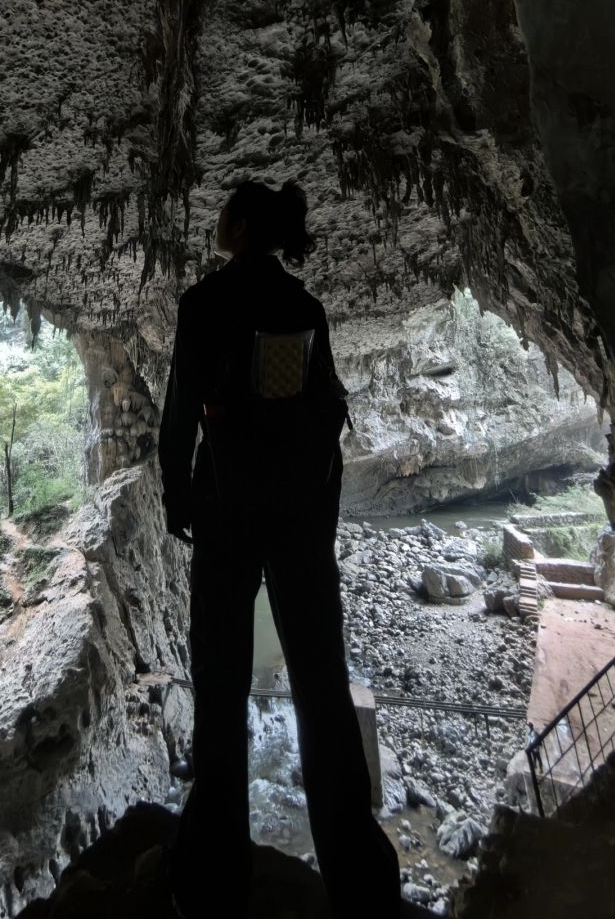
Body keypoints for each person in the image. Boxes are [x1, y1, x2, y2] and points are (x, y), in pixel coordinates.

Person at [158, 180, 401, 918]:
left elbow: (179, 418)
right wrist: (315, 520)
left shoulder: (204, 303)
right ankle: (360, 879)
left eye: (225, 212)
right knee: (322, 684)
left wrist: (179, 500)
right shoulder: (306, 308)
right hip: (298, 518)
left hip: (227, 515)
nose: (217, 221)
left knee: (223, 689)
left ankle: (213, 879)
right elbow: (328, 413)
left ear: (240, 227)